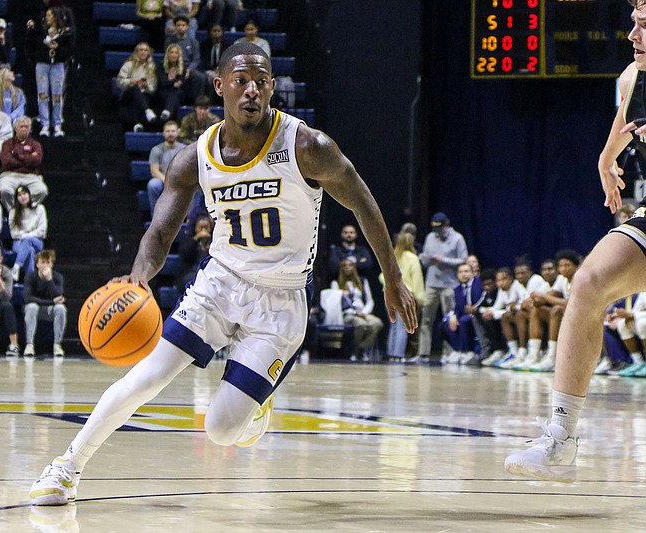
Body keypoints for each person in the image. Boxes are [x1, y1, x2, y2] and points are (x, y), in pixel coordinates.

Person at [29, 42, 417, 506]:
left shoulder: (308, 147)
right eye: (240, 81)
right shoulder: (196, 157)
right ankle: (67, 468)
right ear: (220, 86)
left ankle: (256, 405)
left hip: (281, 299)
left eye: (260, 81)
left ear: (272, 87)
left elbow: (363, 202)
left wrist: (392, 276)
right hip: (220, 282)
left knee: (220, 430)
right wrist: (137, 279)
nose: (250, 90)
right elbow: (158, 234)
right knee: (147, 376)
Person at [505, 1, 646, 479]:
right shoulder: (632, 77)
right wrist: (607, 160)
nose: (631, 34)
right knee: (587, 284)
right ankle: (561, 438)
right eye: (633, 22)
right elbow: (624, 122)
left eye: (643, 26)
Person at [413, 212, 468, 363]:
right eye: (435, 228)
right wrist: (426, 259)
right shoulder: (430, 237)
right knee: (426, 319)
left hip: (449, 284)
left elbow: (463, 260)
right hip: (431, 284)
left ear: (447, 225)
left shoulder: (457, 238)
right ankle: (423, 353)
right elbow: (424, 259)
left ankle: (448, 353)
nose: (438, 232)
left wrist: (445, 260)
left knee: (448, 319)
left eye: (440, 228)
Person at [27, 7, 72, 137]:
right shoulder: (40, 30)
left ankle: (57, 124)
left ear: (55, 17)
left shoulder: (64, 32)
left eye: (49, 15)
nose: (47, 18)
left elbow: (69, 51)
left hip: (57, 65)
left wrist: (58, 48)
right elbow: (30, 43)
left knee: (57, 95)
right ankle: (45, 124)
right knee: (42, 95)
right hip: (42, 64)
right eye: (46, 15)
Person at [380, 231, 424, 360]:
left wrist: (389, 287)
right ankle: (399, 355)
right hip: (406, 295)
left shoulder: (392, 256)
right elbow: (417, 279)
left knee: (393, 325)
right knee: (403, 327)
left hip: (388, 295)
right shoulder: (412, 258)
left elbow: (381, 276)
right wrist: (419, 298)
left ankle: (391, 354)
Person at [331, 256, 384, 362]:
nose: (347, 268)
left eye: (350, 265)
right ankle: (354, 350)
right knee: (361, 325)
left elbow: (369, 301)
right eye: (344, 266)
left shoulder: (362, 282)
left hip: (362, 312)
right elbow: (335, 303)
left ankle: (361, 348)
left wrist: (364, 312)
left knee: (377, 323)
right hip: (348, 313)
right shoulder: (336, 283)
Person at [0, 116, 48, 211]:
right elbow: (6, 162)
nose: (24, 129)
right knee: (3, 190)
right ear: (15, 128)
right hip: (10, 175)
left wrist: (18, 156)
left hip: (30, 175)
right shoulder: (7, 144)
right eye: (21, 126)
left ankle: (27, 211)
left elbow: (37, 160)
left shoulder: (35, 144)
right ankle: (13, 212)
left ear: (30, 129)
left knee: (42, 191)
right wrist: (29, 158)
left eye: (26, 127)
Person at [22, 249, 66, 358]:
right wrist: (51, 301)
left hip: (50, 310)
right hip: (34, 310)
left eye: (48, 262)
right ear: (37, 264)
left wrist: (49, 280)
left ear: (52, 264)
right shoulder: (30, 277)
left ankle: (57, 345)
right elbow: (28, 298)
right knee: (32, 306)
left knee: (60, 308)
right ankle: (29, 344)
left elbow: (59, 296)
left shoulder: (58, 277)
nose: (45, 265)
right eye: (43, 262)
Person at [116, 42, 158, 132]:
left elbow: (153, 88)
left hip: (144, 95)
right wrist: (131, 81)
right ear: (137, 52)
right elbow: (119, 81)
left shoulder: (152, 67)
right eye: (141, 50)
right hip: (127, 93)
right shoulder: (128, 65)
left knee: (137, 96)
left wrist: (146, 86)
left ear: (148, 53)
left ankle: (137, 124)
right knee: (134, 88)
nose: (143, 52)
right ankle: (147, 111)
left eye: (146, 50)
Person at [9, 184, 47, 281]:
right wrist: (25, 236)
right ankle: (30, 280)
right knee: (29, 251)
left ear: (29, 195)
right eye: (19, 195)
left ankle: (16, 267)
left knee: (28, 240)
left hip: (37, 241)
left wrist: (28, 235)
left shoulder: (40, 208)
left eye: (24, 193)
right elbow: (14, 233)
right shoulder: (13, 211)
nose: (22, 197)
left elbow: (42, 230)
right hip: (19, 242)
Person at [147, 120, 185, 216]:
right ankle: (155, 218)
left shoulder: (185, 149)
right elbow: (154, 171)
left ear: (178, 133)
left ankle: (188, 219)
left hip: (181, 181)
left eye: (173, 131)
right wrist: (167, 181)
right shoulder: (156, 150)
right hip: (163, 181)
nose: (170, 134)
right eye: (168, 131)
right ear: (164, 133)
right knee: (153, 185)